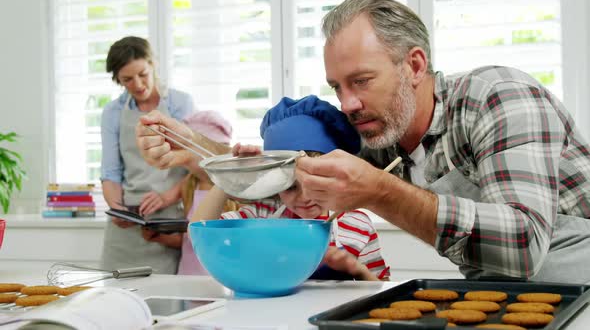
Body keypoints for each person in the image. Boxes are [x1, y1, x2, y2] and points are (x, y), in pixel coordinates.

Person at [293, 0, 590, 283]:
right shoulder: (382, 134)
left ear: (415, 66)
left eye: (361, 81)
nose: (347, 104)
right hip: (497, 299)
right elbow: (311, 169)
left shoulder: (498, 96)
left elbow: (524, 244)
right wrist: (267, 167)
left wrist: (381, 192)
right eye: (337, 87)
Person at [191, 95, 390, 281]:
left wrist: (358, 271)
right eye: (290, 187)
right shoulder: (262, 216)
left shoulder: (357, 225)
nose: (305, 197)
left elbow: (382, 287)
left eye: (316, 182)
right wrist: (233, 176)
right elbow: (200, 231)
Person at [100, 36, 194, 274]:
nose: (138, 84)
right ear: (117, 80)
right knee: (115, 303)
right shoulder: (112, 112)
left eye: (143, 74)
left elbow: (195, 165)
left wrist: (166, 198)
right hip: (127, 225)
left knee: (168, 303)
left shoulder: (180, 104)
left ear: (153, 64)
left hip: (167, 221)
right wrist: (116, 207)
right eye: (127, 79)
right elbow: (111, 172)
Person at [141, 110, 239, 275]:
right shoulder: (188, 184)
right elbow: (190, 239)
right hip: (189, 273)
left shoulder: (233, 190)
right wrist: (162, 237)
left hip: (221, 274)